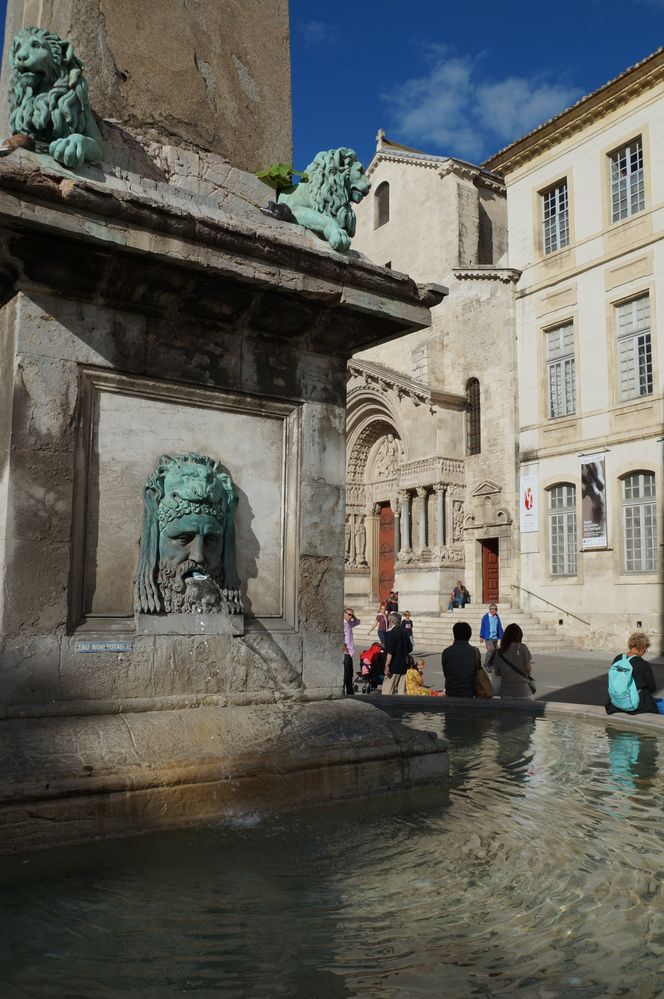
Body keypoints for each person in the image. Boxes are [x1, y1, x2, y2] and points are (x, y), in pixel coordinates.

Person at [605, 631, 658, 715]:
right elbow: (652, 688)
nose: (645, 652)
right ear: (643, 647)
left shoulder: (618, 659)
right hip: (636, 705)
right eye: (646, 649)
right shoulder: (643, 664)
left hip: (615, 703)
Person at [494, 623, 534, 700]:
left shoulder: (499, 652)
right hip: (523, 692)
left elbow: (497, 672)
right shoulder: (523, 648)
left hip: (506, 693)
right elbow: (528, 668)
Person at [441, 621, 478, 697]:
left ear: (454, 634)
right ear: (469, 635)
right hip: (468, 691)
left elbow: (445, 672)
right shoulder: (474, 651)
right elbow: (476, 671)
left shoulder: (447, 651)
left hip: (451, 690)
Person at [382, 611, 410, 694]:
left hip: (393, 666)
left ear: (391, 622)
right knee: (402, 691)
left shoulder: (390, 634)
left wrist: (387, 665)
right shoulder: (404, 632)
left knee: (388, 690)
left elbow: (390, 651)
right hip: (404, 665)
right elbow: (410, 648)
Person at [479, 603, 504, 668]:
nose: (496, 610)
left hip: (495, 637)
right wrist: (481, 636)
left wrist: (502, 636)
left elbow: (499, 627)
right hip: (488, 637)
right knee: (492, 649)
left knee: (494, 651)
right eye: (495, 609)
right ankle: (487, 664)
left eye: (496, 609)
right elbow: (482, 627)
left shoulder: (497, 617)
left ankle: (488, 663)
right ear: (490, 609)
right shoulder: (485, 617)